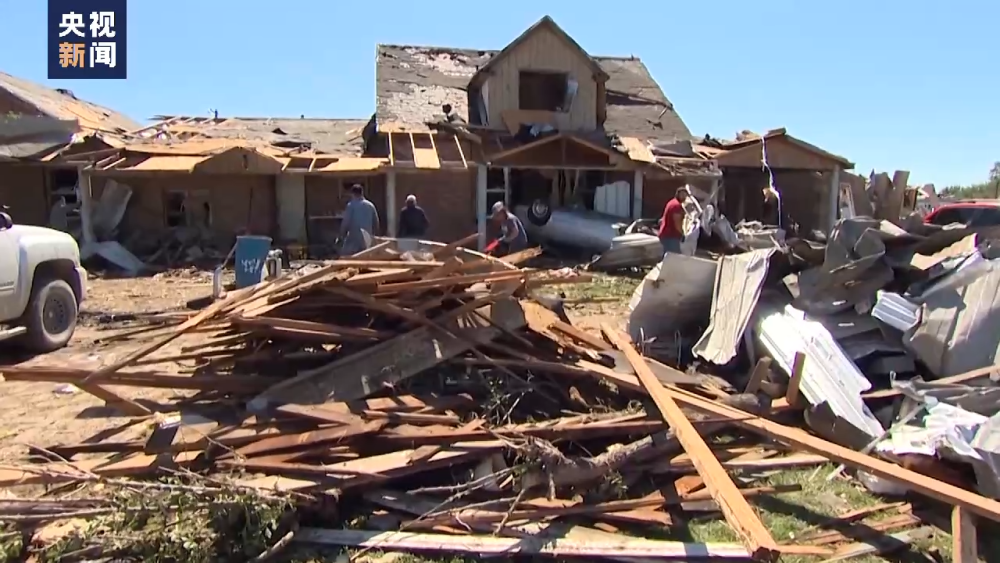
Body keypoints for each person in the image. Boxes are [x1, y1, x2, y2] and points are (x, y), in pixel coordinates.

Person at [339, 184, 380, 255]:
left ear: (352, 194)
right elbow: (376, 223)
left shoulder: (351, 205)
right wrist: (375, 236)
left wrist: (341, 235)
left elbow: (346, 222)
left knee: (348, 257)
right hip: (367, 238)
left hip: (354, 238)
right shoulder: (370, 205)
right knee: (366, 258)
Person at [657, 187, 688, 254]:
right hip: (670, 236)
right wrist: (682, 233)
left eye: (685, 195)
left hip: (666, 235)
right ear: (677, 194)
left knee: (668, 257)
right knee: (675, 257)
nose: (684, 197)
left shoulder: (671, 202)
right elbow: (677, 223)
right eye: (682, 194)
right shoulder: (676, 205)